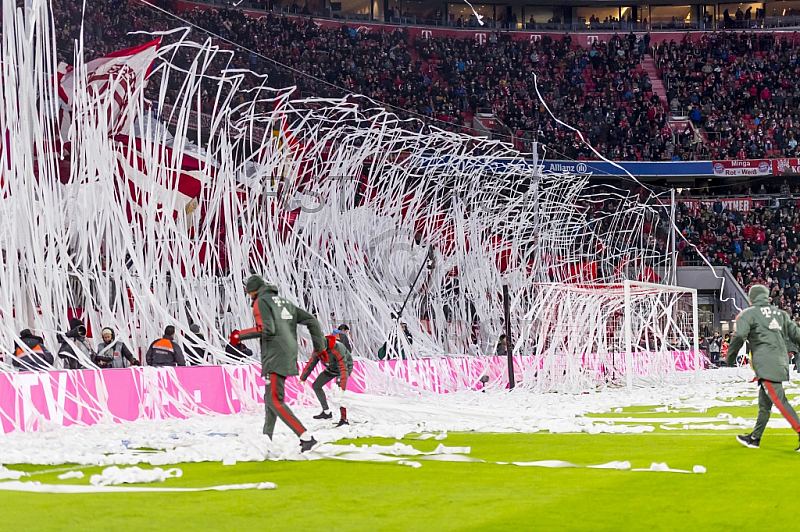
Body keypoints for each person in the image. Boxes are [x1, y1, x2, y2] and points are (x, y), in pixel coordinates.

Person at [239, 274, 325, 453]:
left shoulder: (261, 301)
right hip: (288, 353)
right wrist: (319, 347)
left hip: (275, 355)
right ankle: (266, 438)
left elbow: (266, 329)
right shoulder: (284, 302)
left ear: (252, 291)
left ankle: (306, 437)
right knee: (270, 397)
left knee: (275, 399)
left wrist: (240, 335)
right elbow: (311, 320)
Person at [727, 284, 800, 450]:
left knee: (779, 400)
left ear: (751, 298)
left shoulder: (749, 314)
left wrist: (730, 357)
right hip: (780, 361)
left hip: (766, 363)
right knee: (765, 405)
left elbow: (739, 335)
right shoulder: (780, 313)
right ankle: (754, 438)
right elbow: (796, 334)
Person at [300, 330, 353, 427]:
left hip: (344, 368)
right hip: (331, 368)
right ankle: (327, 412)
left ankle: (344, 419)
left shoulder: (338, 348)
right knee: (316, 385)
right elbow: (311, 363)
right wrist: (303, 377)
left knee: (339, 392)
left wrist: (342, 385)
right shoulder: (317, 349)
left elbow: (343, 367)